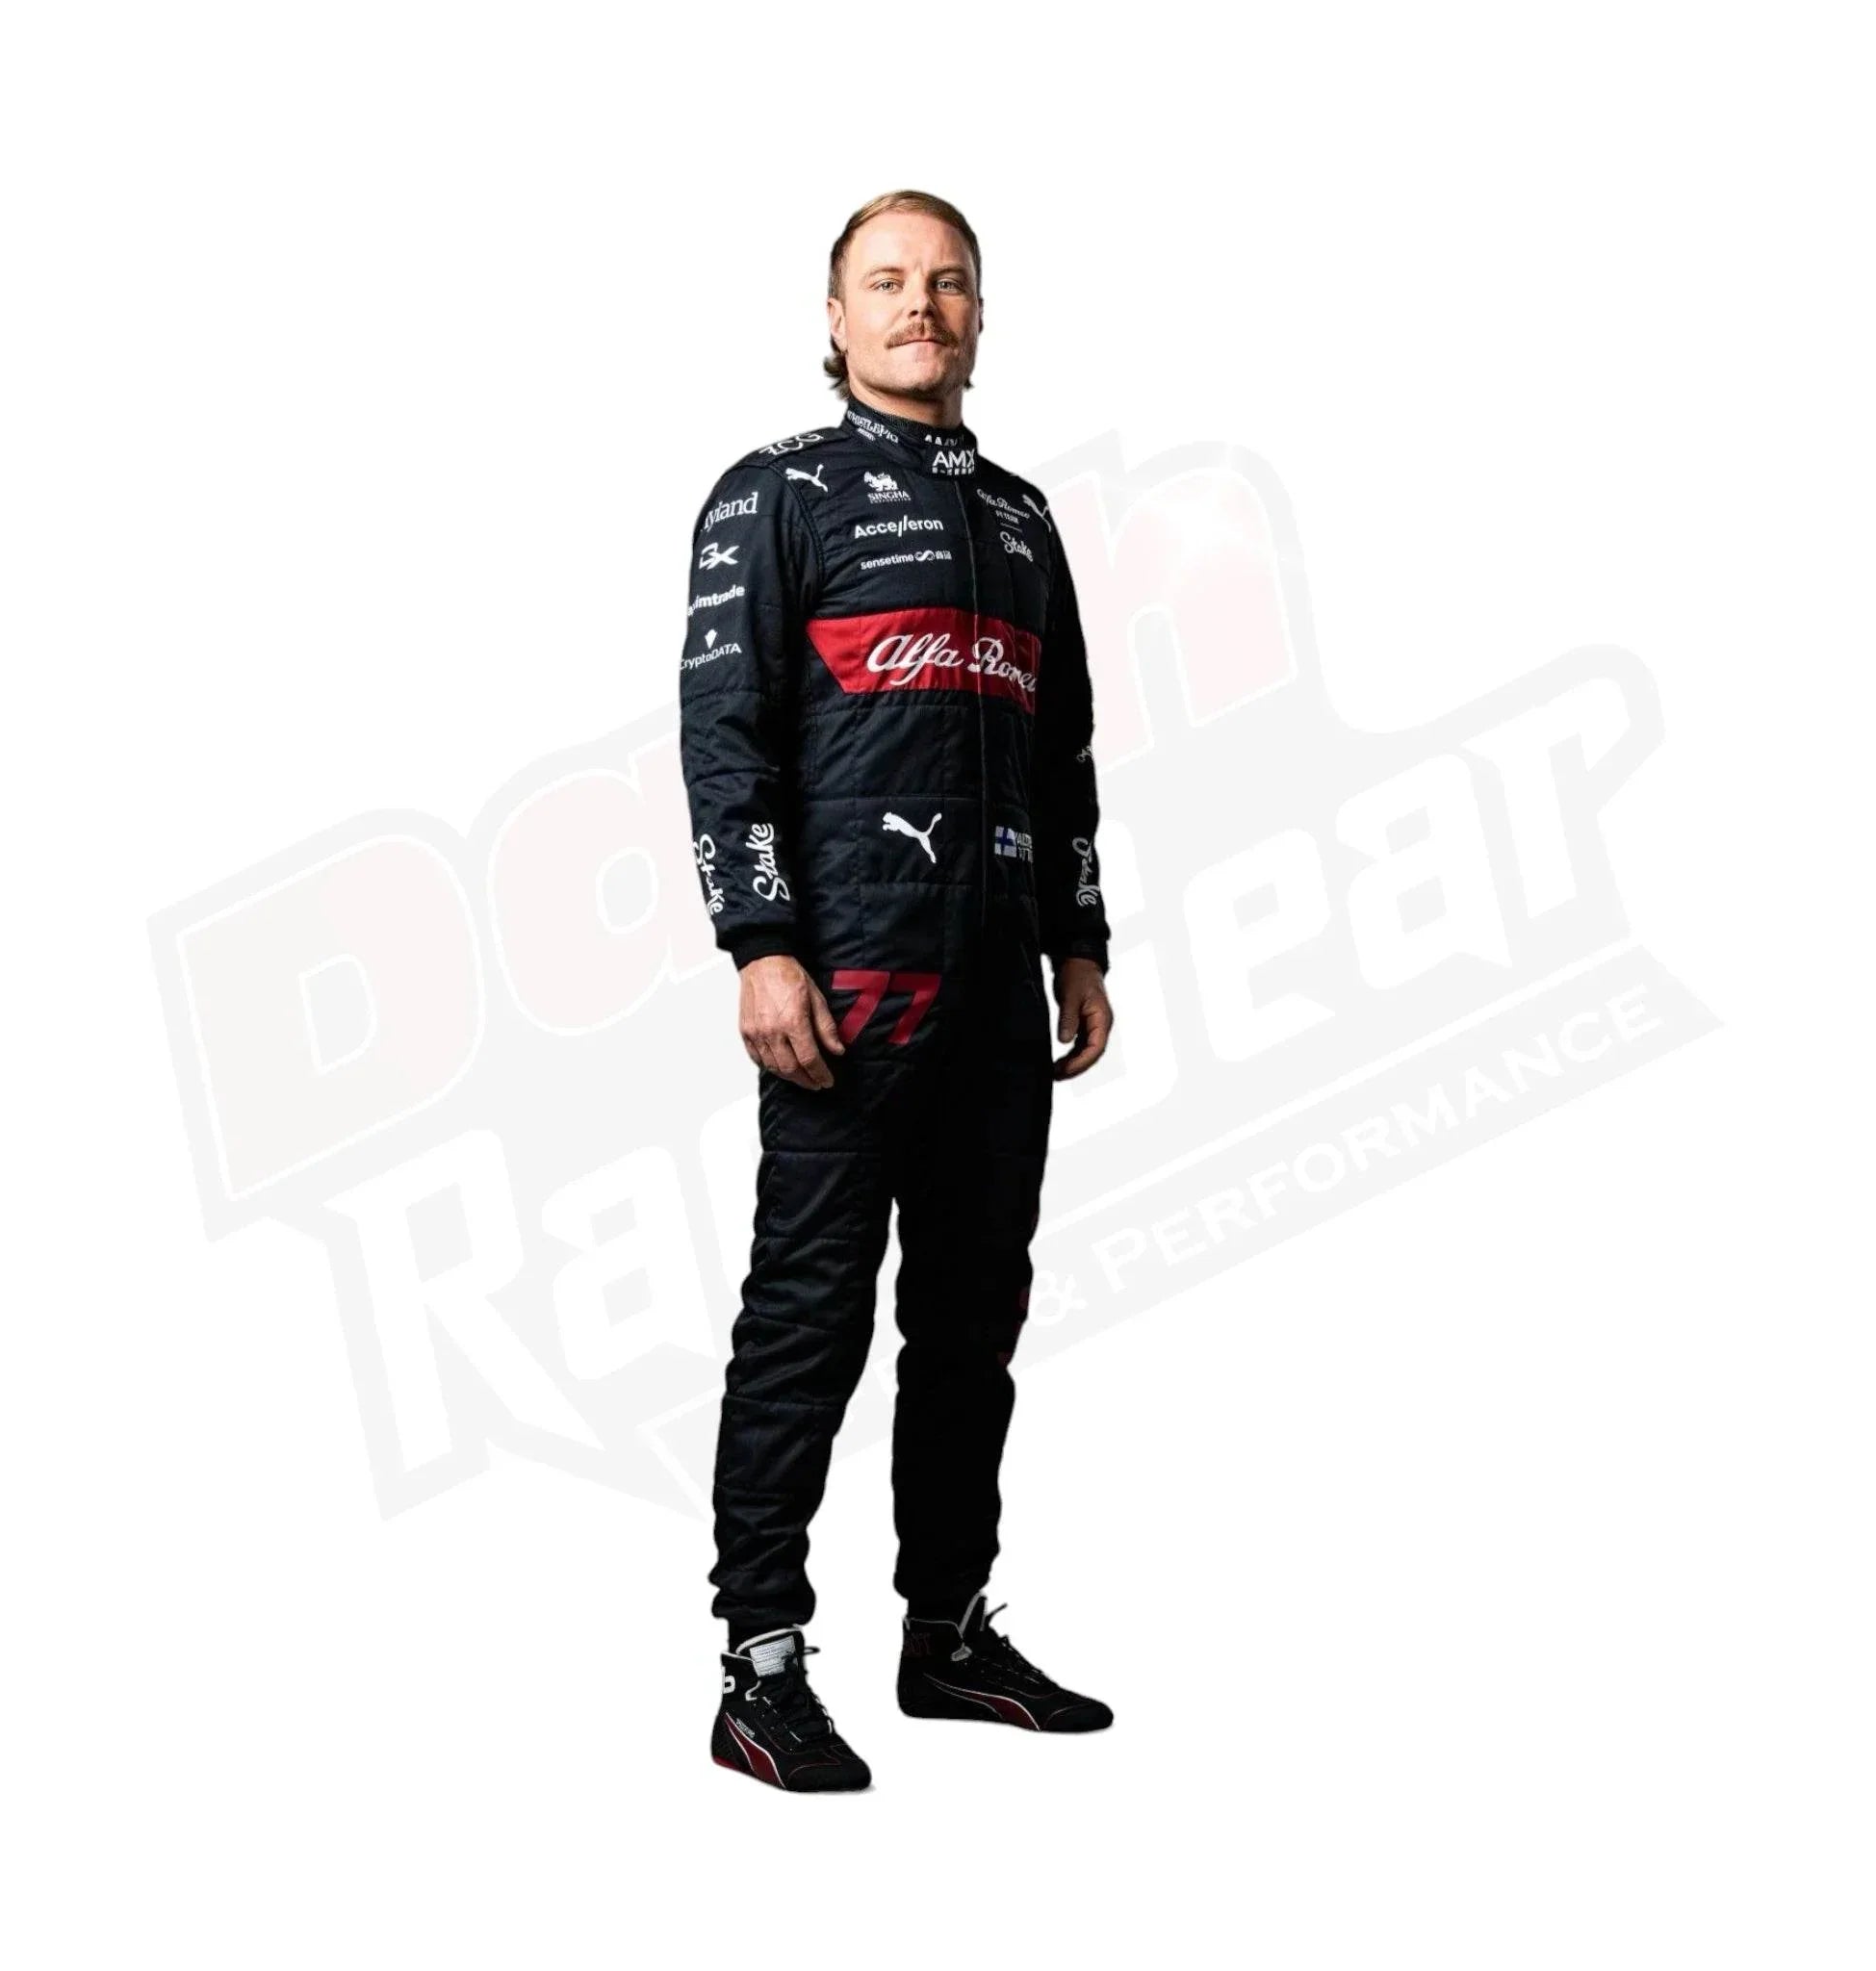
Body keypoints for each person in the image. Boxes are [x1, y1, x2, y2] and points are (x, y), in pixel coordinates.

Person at [680, 190, 1118, 1794]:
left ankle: (946, 1635)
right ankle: (760, 1668)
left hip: (998, 987)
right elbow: (724, 737)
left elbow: (1062, 753)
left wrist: (1080, 941)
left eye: (947, 282)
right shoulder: (774, 495)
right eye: (888, 282)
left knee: (971, 1322)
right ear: (837, 317)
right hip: (846, 984)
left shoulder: (1023, 519)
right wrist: (760, 944)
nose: (919, 305)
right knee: (808, 1319)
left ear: (979, 317)